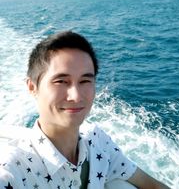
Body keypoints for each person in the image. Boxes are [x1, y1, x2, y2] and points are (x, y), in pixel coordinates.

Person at [0, 31, 170, 189]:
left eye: (85, 81)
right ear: (32, 87)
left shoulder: (99, 143)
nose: (76, 96)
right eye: (61, 81)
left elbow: (152, 186)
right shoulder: (13, 170)